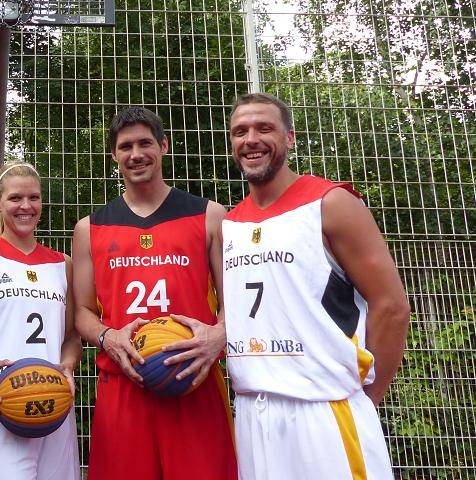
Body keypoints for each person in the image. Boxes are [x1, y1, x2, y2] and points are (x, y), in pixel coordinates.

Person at [223, 92, 410, 479]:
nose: (250, 139)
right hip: (253, 412)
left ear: (289, 137)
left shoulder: (331, 203)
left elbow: (391, 306)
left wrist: (365, 398)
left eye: (264, 128)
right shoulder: (232, 223)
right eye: (240, 131)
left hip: (325, 410)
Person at [72, 107, 237, 479]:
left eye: (145, 142)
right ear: (113, 155)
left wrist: (217, 336)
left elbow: (235, 304)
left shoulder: (210, 215)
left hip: (193, 377)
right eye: (125, 146)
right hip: (123, 380)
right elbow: (81, 311)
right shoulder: (90, 228)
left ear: (163, 145)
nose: (136, 154)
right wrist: (107, 336)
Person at [0, 161, 82, 480]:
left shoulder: (63, 264)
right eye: (15, 198)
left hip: (54, 402)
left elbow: (71, 337)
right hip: (0, 401)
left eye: (33, 198)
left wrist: (67, 366)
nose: (26, 206)